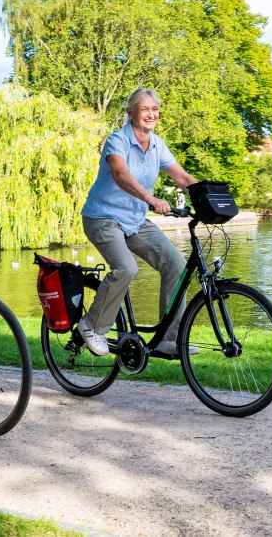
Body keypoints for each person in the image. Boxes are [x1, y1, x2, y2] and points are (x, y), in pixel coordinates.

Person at [77, 88, 198, 358]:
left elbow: (181, 177)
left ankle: (169, 340)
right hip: (103, 217)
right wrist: (151, 198)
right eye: (145, 109)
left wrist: (211, 196)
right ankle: (91, 326)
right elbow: (120, 174)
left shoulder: (158, 144)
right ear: (131, 112)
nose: (151, 114)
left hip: (134, 220)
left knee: (176, 264)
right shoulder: (117, 140)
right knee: (126, 268)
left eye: (155, 110)